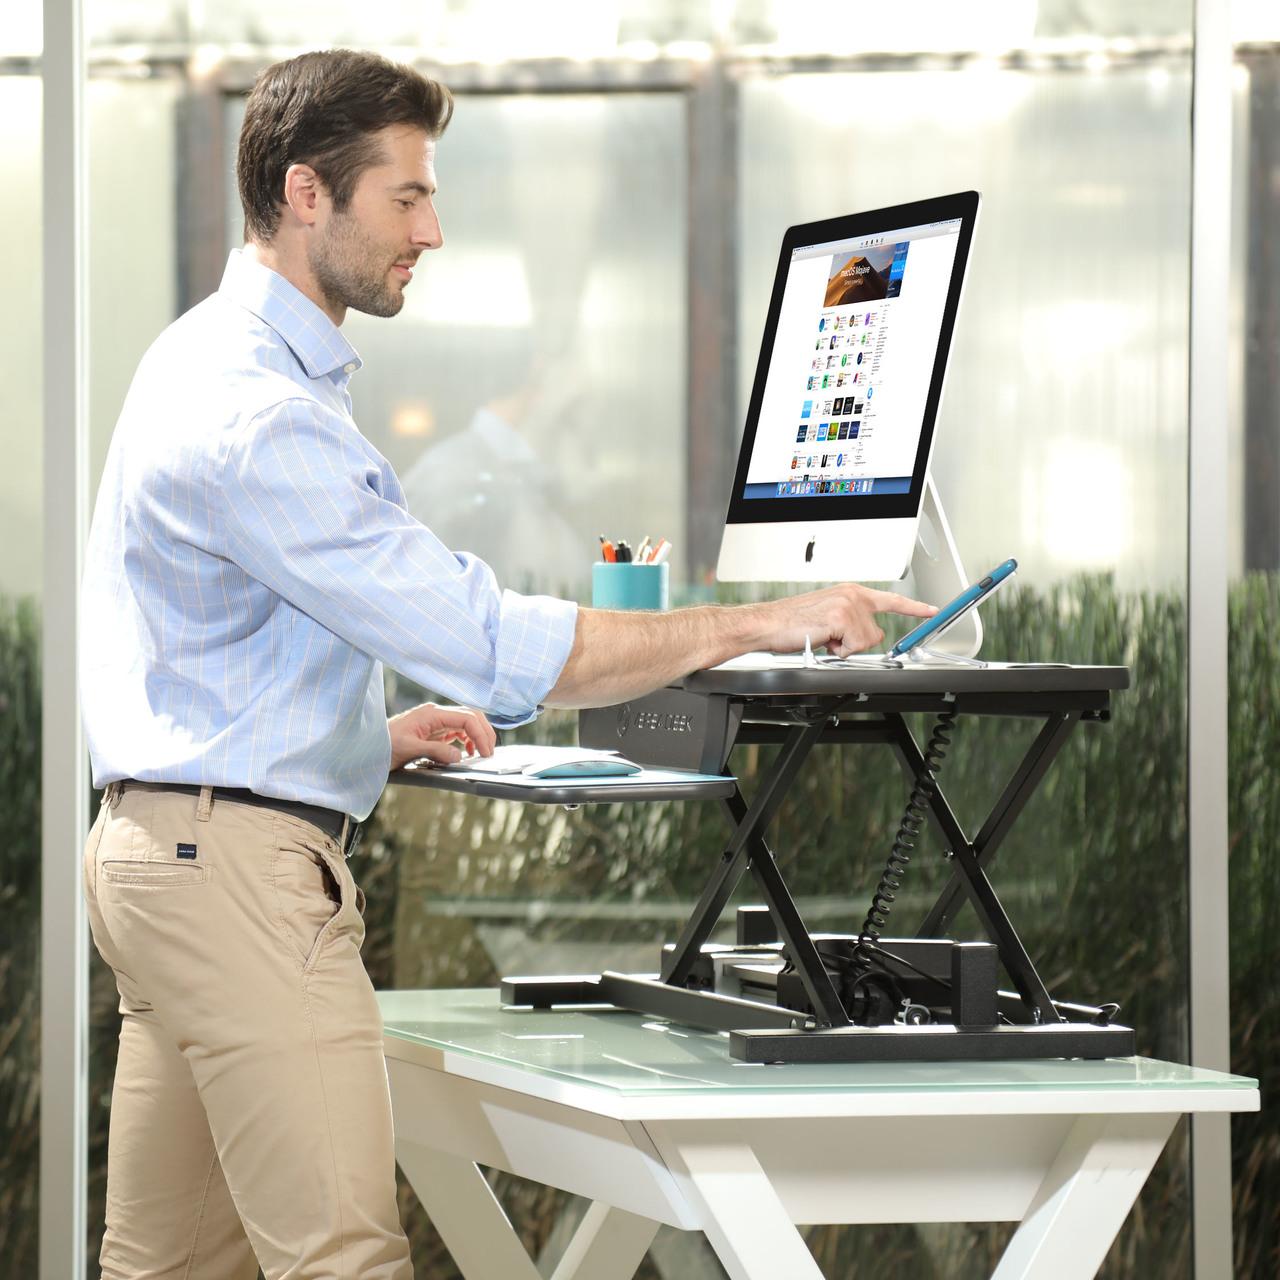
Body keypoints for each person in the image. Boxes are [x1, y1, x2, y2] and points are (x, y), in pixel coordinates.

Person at [78, 48, 935, 1280]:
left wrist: (356, 738)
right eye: (406, 197)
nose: (432, 228)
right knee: (342, 1260)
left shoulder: (201, 357)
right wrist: (759, 620)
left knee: (165, 1268)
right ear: (307, 193)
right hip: (236, 884)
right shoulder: (260, 415)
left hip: (164, 858)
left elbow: (187, 642)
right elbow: (486, 643)